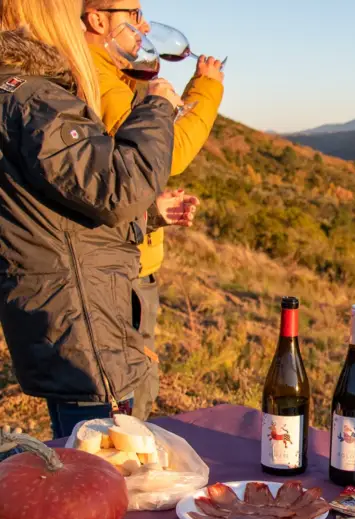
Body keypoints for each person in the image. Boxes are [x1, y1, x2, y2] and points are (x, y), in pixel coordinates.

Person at [0, 0, 183, 438]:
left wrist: (149, 215)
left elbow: (52, 204)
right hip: (81, 326)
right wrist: (157, 108)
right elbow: (117, 189)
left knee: (82, 465)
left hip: (63, 315)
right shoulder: (35, 99)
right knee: (106, 473)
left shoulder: (18, 93)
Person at [82, 0, 225, 420]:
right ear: (97, 19)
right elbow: (170, 152)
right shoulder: (100, 83)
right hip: (118, 272)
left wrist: (150, 212)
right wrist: (207, 88)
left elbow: (114, 171)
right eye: (132, 13)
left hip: (124, 255)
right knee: (124, 408)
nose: (144, 25)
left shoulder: (112, 76)